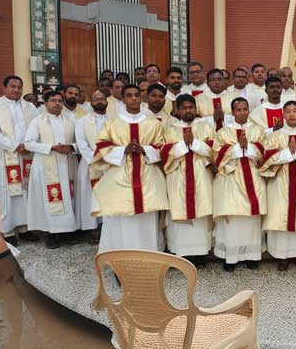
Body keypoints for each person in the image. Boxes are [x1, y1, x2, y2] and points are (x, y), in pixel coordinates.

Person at [92, 84, 169, 253]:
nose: (134, 98)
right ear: (123, 99)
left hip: (147, 177)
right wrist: (122, 150)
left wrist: (145, 149)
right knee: (120, 217)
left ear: (141, 98)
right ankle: (120, 257)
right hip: (120, 177)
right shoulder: (112, 123)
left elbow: (163, 147)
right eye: (129, 95)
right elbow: (101, 146)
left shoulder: (154, 124)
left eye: (136, 95)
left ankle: (149, 257)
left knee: (147, 218)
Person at [260, 101, 296, 271]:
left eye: (295, 111)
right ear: (283, 115)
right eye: (288, 111)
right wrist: (287, 154)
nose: (292, 114)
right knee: (280, 215)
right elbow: (266, 158)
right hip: (280, 182)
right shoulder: (275, 136)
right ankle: (282, 256)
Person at [212, 97, 267, 271]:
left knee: (251, 218)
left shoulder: (257, 130)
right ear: (233, 112)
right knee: (232, 216)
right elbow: (216, 155)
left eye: (245, 109)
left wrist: (248, 148)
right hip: (231, 178)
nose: (242, 113)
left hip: (253, 175)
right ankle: (230, 257)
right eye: (238, 110)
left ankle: (251, 255)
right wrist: (238, 149)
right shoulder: (224, 132)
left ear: (249, 111)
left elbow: (265, 152)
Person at [161, 94, 216, 267]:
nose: (188, 111)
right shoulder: (170, 129)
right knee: (179, 210)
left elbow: (215, 151)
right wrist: (182, 145)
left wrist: (195, 144)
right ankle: (181, 253)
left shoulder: (206, 127)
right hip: (178, 177)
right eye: (184, 108)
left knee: (201, 211)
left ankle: (201, 254)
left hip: (201, 176)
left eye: (191, 107)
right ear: (177, 110)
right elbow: (164, 153)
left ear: (195, 108)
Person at [25, 90, 78, 249]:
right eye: (53, 100)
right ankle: (50, 233)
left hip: (67, 163)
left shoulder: (71, 120)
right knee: (49, 199)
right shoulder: (37, 121)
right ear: (45, 103)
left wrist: (71, 147)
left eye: (60, 101)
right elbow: (29, 143)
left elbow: (81, 142)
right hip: (45, 165)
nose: (57, 103)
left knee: (68, 198)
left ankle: (68, 231)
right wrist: (51, 147)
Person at [0, 76, 38, 245]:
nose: (16, 90)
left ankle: (24, 228)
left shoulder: (30, 107)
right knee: (7, 193)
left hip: (27, 154)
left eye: (19, 87)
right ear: (4, 87)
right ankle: (8, 231)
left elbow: (36, 127)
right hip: (6, 156)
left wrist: (29, 145)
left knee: (25, 191)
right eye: (12, 86)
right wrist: (15, 146)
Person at [74, 90, 108, 236]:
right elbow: (81, 144)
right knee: (90, 197)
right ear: (91, 102)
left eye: (101, 98)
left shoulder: (114, 120)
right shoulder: (82, 122)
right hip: (89, 164)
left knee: (108, 195)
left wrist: (110, 158)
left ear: (106, 100)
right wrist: (96, 159)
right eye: (95, 99)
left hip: (111, 164)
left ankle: (108, 226)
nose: (99, 101)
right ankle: (92, 228)